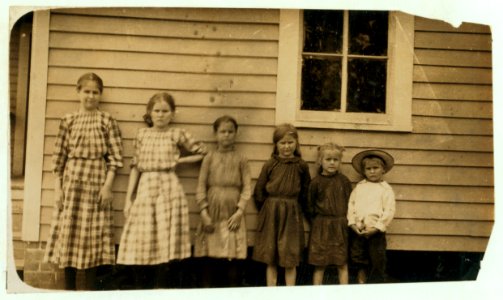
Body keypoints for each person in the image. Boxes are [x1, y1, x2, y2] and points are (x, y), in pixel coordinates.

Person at [116, 92, 206, 289]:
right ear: (150, 113)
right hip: (146, 187)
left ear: (172, 114)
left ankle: (160, 287)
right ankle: (141, 289)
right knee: (141, 237)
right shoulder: (142, 134)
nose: (161, 115)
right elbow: (136, 166)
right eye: (156, 111)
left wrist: (178, 161)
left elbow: (201, 153)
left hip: (169, 188)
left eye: (165, 111)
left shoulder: (177, 134)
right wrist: (128, 199)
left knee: (165, 239)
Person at [44, 72, 124, 290]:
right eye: (86, 91)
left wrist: (107, 187)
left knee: (91, 235)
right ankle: (69, 290)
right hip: (72, 181)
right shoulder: (68, 120)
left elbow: (116, 157)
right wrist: (58, 189)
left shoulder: (106, 120)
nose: (90, 96)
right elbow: (58, 157)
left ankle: (88, 290)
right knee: (68, 233)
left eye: (95, 92)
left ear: (100, 95)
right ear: (78, 92)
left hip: (97, 181)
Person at [194, 115, 252, 287]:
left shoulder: (241, 159)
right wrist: (204, 212)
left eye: (230, 131)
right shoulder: (209, 158)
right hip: (212, 209)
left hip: (232, 212)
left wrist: (239, 212)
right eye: (222, 131)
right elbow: (200, 186)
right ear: (215, 134)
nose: (226, 135)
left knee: (231, 256)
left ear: (236, 134)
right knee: (209, 255)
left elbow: (247, 188)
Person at [252, 124, 311, 286]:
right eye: (282, 143)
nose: (286, 147)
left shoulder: (301, 166)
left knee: (289, 255)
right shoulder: (270, 164)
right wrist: (266, 210)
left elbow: (306, 193)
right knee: (271, 256)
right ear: (276, 145)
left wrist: (304, 213)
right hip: (271, 212)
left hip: (292, 213)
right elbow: (259, 191)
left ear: (296, 144)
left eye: (290, 142)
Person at [306, 143, 352, 285]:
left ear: (340, 162)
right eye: (328, 159)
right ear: (320, 161)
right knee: (320, 264)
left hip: (340, 226)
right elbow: (309, 206)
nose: (332, 163)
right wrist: (318, 222)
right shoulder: (316, 182)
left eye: (335, 160)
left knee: (342, 263)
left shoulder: (344, 181)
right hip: (321, 227)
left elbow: (351, 203)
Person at [347, 149, 396, 283]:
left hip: (376, 232)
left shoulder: (385, 190)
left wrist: (377, 227)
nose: (372, 171)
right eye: (368, 169)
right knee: (358, 257)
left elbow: (389, 211)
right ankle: (361, 281)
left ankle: (375, 285)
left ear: (383, 170)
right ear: (364, 171)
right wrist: (352, 224)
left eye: (376, 168)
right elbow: (351, 205)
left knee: (377, 259)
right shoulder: (360, 187)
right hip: (359, 230)